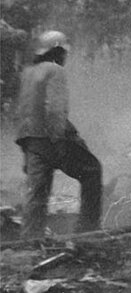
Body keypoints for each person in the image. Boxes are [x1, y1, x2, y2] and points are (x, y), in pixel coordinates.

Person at [15, 31, 103, 238]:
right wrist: (60, 142)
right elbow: (56, 109)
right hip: (51, 136)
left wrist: (26, 151)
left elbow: (23, 112)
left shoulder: (28, 73)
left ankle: (30, 239)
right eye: (63, 53)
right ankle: (88, 230)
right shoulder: (55, 70)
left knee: (37, 192)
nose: (65, 57)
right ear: (57, 51)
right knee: (92, 170)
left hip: (30, 140)